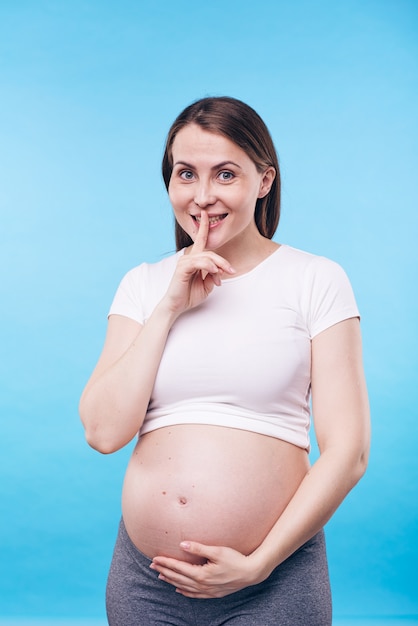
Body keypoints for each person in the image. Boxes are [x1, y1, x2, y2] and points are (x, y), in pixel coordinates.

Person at [79, 96, 370, 626]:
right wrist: (169, 306)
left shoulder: (315, 279)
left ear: (264, 181)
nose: (203, 195)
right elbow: (103, 432)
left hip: (274, 578)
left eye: (226, 174)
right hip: (147, 582)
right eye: (186, 173)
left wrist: (259, 564)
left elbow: (348, 451)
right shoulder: (144, 285)